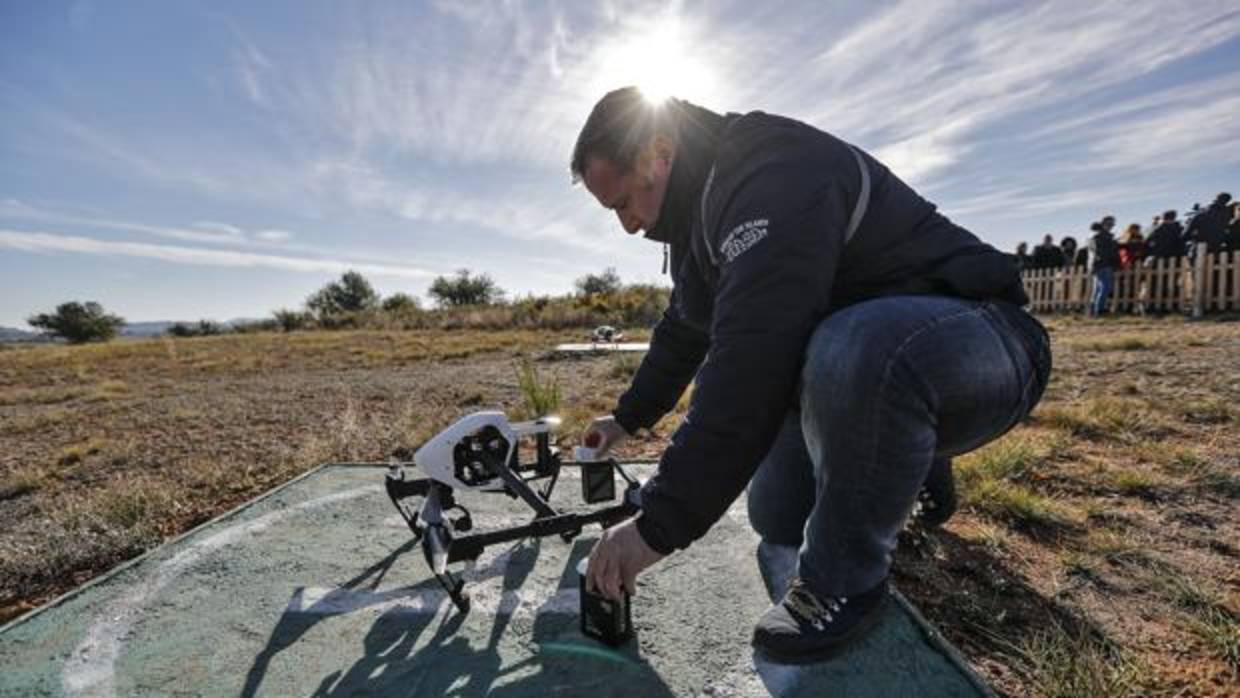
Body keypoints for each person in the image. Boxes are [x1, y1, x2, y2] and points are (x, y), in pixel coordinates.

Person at [571, 88, 1051, 663]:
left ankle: (844, 583)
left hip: (983, 339)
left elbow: (750, 362)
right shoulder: (699, 223)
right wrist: (624, 420)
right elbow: (684, 332)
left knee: (854, 346)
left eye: (624, 202)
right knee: (774, 516)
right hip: (873, 368)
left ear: (660, 152)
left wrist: (657, 525)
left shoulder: (768, 170)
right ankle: (911, 458)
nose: (627, 225)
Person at [1088, 216, 1120, 316]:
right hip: (1103, 264)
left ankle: (1093, 310)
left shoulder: (1098, 236)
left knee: (1097, 289)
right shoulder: (1101, 237)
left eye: (1112, 224)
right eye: (1109, 224)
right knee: (1105, 287)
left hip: (1097, 265)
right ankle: (1100, 310)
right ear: (1103, 224)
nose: (1111, 226)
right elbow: (1103, 252)